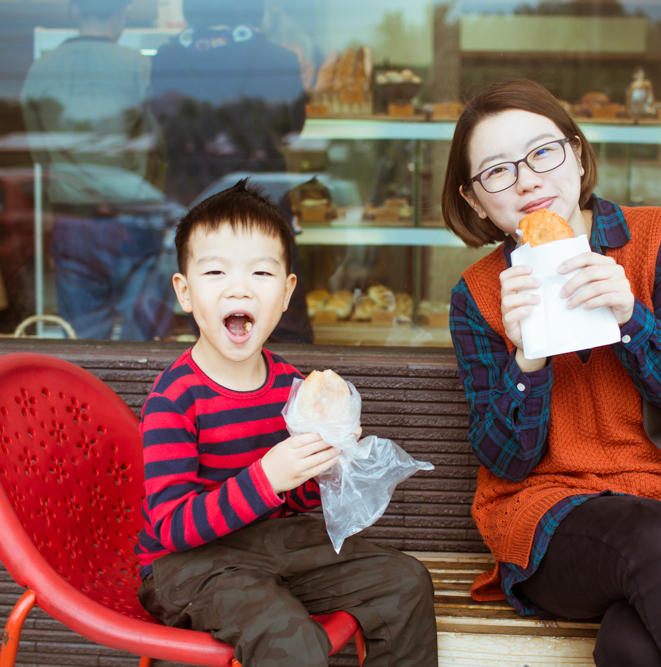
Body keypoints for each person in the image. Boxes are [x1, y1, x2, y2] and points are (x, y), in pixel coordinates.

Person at [441, 79, 661, 667]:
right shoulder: (480, 294)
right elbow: (506, 461)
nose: (527, 179)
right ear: (474, 199)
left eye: (543, 152)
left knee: (632, 648)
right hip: (549, 512)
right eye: (497, 171)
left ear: (578, 153)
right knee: (649, 534)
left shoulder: (654, 238)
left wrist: (629, 317)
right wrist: (528, 357)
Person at [135, 180, 437, 667]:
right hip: (187, 565)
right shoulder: (174, 399)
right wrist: (266, 477)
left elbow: (294, 500)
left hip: (275, 545)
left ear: (286, 294)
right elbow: (171, 527)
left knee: (405, 583)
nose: (239, 287)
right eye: (215, 271)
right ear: (185, 293)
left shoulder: (291, 387)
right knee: (288, 637)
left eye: (260, 271)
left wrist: (322, 466)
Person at [149, 0, 313, 343]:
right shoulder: (279, 59)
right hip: (263, 200)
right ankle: (282, 393)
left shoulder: (166, 59)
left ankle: (218, 393)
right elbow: (293, 128)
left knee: (210, 314)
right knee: (283, 321)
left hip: (195, 200)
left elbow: (164, 133)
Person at [21, 0, 172, 340]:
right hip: (131, 217)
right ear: (124, 14)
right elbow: (159, 150)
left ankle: (88, 395)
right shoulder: (138, 67)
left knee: (84, 339)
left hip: (73, 222)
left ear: (74, 12)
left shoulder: (41, 69)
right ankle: (140, 395)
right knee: (141, 336)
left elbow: (39, 153)